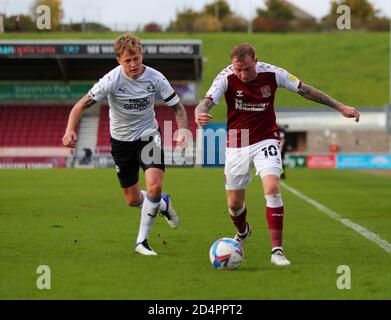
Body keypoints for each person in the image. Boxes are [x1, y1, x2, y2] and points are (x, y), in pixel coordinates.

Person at [195, 44, 360, 266]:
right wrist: (200, 113)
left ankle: (277, 251)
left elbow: (305, 90)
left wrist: (339, 107)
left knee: (272, 188)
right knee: (234, 205)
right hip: (237, 142)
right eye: (238, 70)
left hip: (266, 138)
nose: (242, 75)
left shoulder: (273, 73)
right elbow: (205, 103)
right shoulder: (225, 77)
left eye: (247, 69)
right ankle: (243, 232)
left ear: (256, 61)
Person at [62, 33, 188, 256]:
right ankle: (162, 204)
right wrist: (70, 129)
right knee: (132, 200)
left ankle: (142, 241)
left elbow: (177, 107)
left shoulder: (156, 77)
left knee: (154, 186)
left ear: (142, 55)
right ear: (118, 61)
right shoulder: (110, 81)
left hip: (149, 135)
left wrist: (183, 130)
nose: (133, 64)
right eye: (127, 60)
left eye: (136, 58)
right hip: (120, 142)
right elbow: (81, 105)